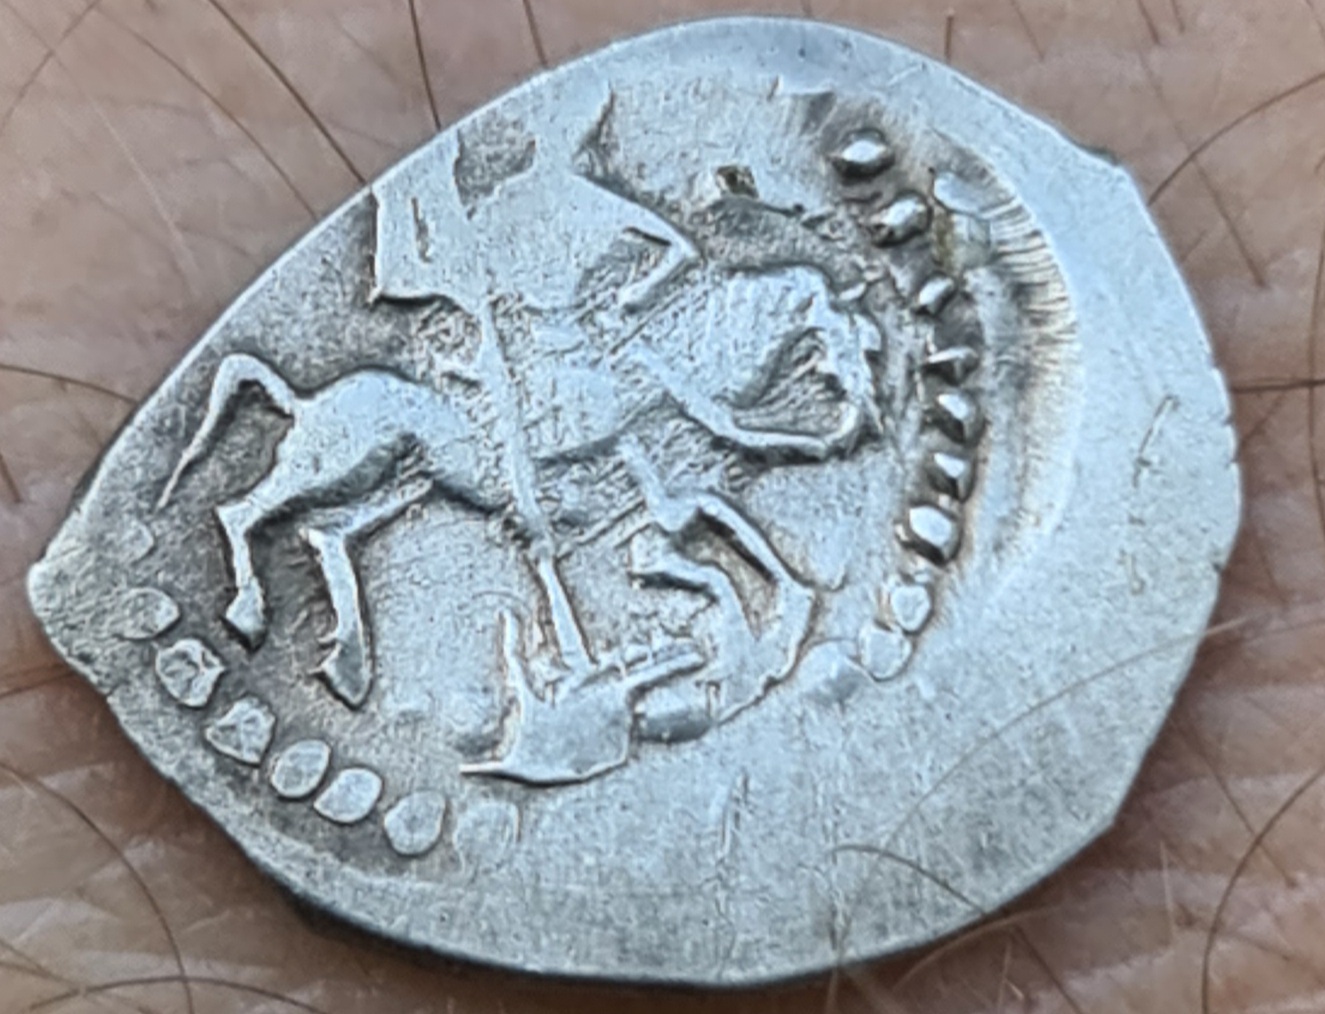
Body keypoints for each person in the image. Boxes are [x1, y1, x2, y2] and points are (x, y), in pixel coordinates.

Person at [0, 2, 1314, 1011]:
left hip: (592, 394)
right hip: (517, 390)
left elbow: (691, 374)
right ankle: (259, 569)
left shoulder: (656, 286)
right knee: (448, 462)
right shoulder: (564, 266)